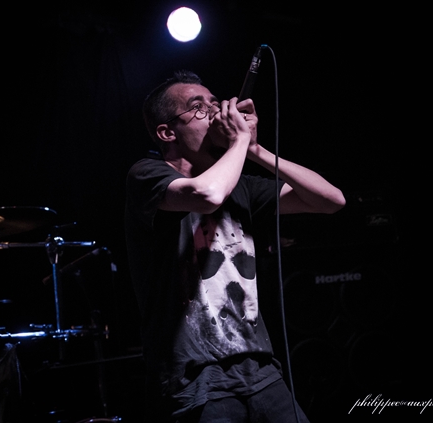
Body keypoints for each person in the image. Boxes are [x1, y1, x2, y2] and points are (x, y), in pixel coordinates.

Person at [124, 70, 346, 423]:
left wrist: (255, 149)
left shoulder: (241, 186)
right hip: (195, 376)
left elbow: (331, 200)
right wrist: (240, 141)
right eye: (198, 107)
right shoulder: (148, 174)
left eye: (215, 103)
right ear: (167, 132)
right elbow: (207, 195)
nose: (215, 112)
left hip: (259, 368)